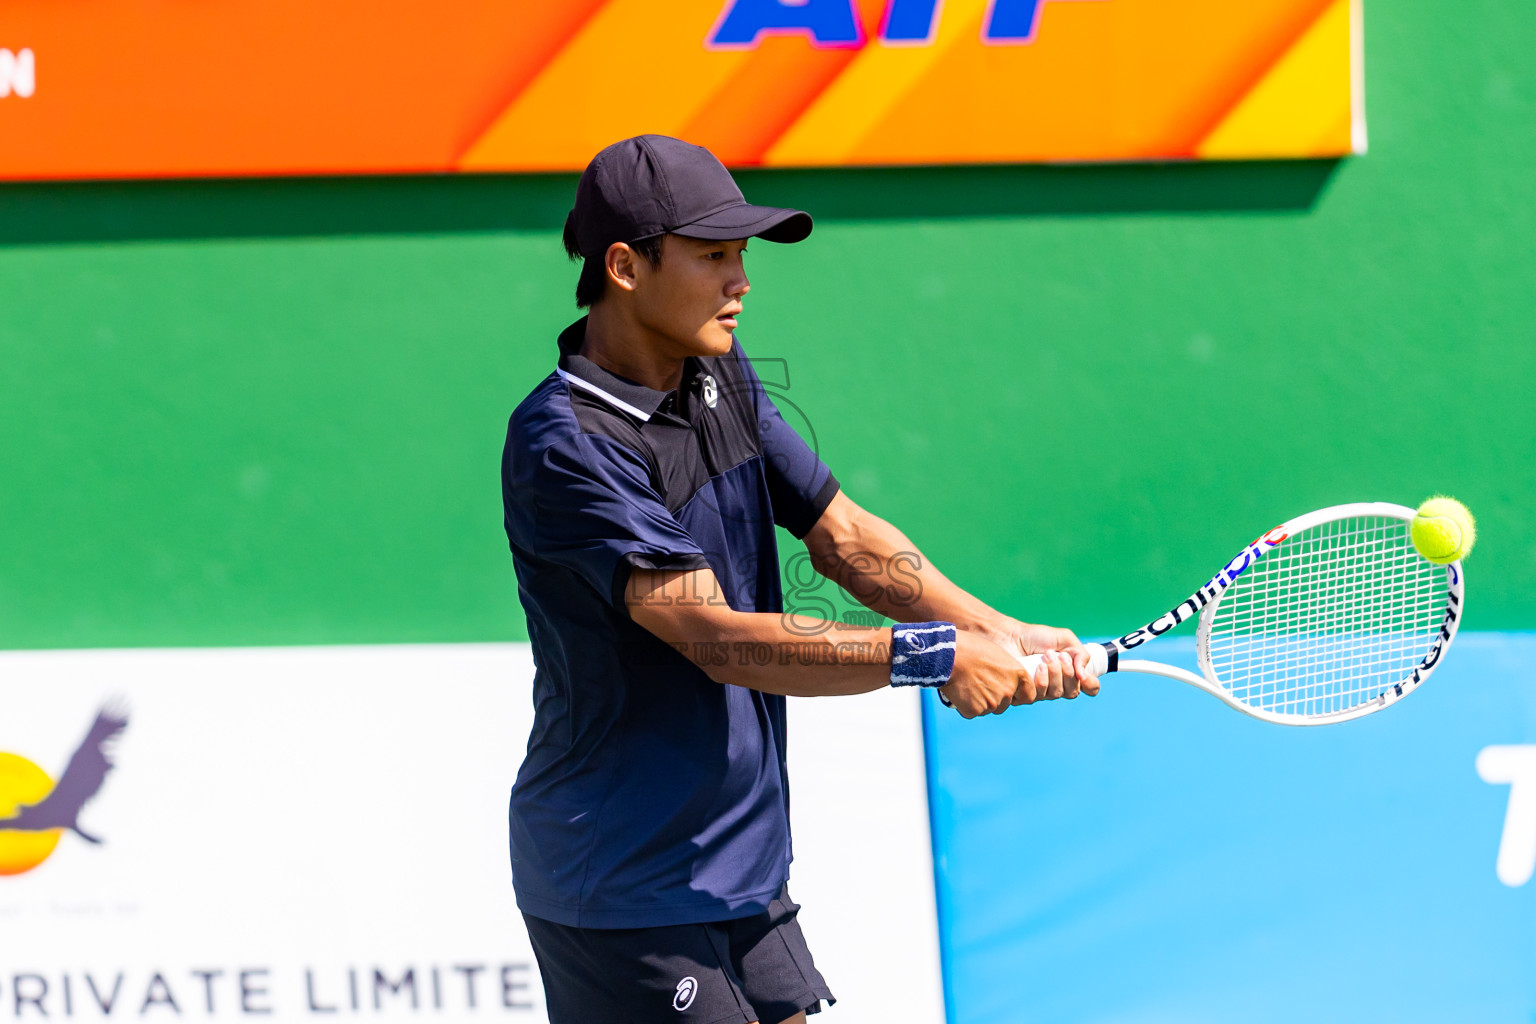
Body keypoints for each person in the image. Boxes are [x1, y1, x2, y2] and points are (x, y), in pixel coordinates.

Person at [501, 134, 1099, 1024]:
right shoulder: (571, 445)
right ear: (625, 267)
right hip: (625, 883)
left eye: (742, 254)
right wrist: (935, 655)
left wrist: (1000, 632)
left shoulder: (718, 377)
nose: (742, 279)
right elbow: (719, 641)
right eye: (714, 256)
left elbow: (844, 536)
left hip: (737, 869)